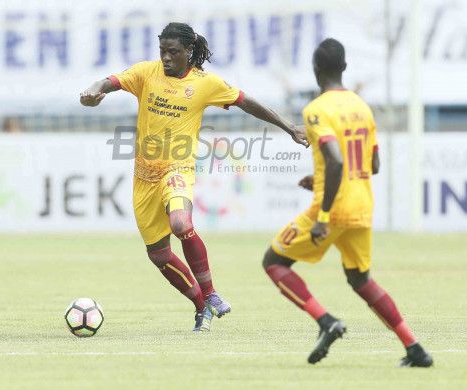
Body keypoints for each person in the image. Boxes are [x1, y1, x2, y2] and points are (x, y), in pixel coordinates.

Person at [80, 22, 308, 332]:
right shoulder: (147, 73)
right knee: (159, 256)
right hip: (144, 177)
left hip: (178, 168)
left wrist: (289, 127)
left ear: (189, 51)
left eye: (172, 52)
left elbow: (246, 102)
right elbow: (112, 81)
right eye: (162, 51)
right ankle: (202, 307)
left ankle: (211, 293)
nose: (166, 58)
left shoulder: (205, 83)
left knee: (180, 224)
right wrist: (96, 89)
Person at [261, 38, 433, 367]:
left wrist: (324, 215)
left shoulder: (316, 110)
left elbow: (337, 161)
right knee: (360, 279)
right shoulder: (361, 106)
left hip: (333, 209)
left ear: (315, 70)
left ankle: (326, 322)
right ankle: (414, 348)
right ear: (344, 68)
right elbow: (374, 165)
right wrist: (320, 178)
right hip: (362, 207)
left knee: (274, 261)